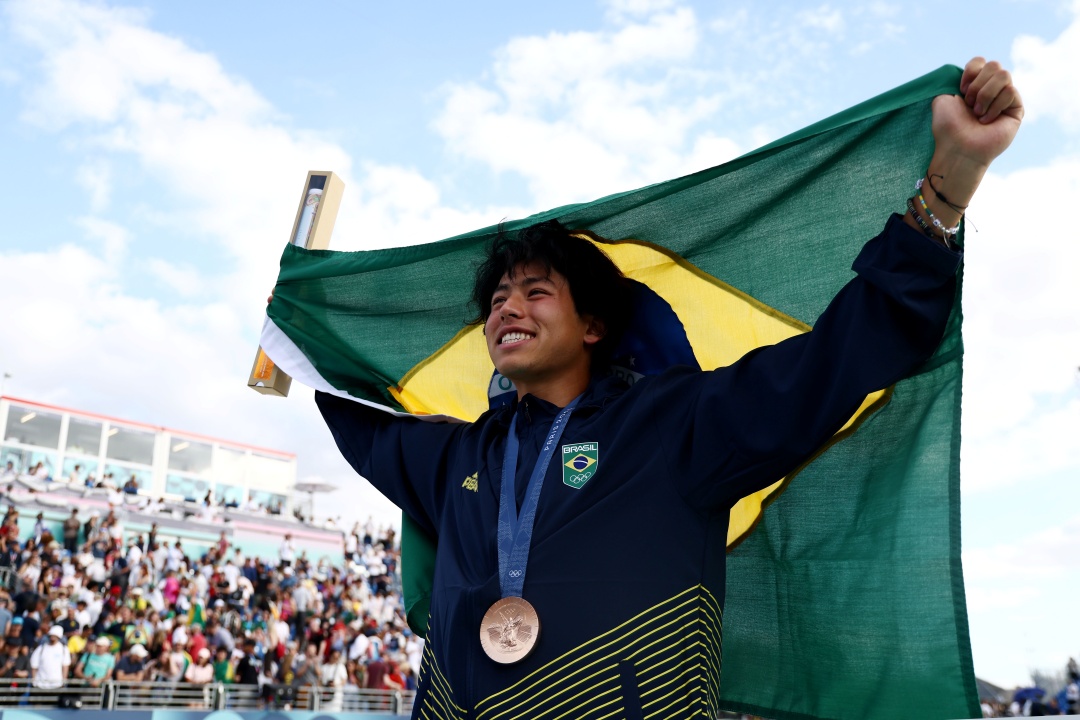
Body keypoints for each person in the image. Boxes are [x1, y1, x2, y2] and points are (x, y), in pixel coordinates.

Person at [312, 59, 1023, 717]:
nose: (507, 308)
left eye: (535, 292)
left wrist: (944, 193)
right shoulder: (457, 458)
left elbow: (830, 365)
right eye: (497, 298)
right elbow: (353, 408)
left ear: (593, 326)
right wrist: (293, 330)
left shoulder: (677, 428)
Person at [30, 625, 71, 692]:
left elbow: (65, 667)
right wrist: (34, 682)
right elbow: (34, 666)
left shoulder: (64, 649)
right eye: (51, 635)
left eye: (55, 635)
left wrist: (63, 682)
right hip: (40, 685)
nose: (52, 637)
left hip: (56, 685)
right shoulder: (41, 648)